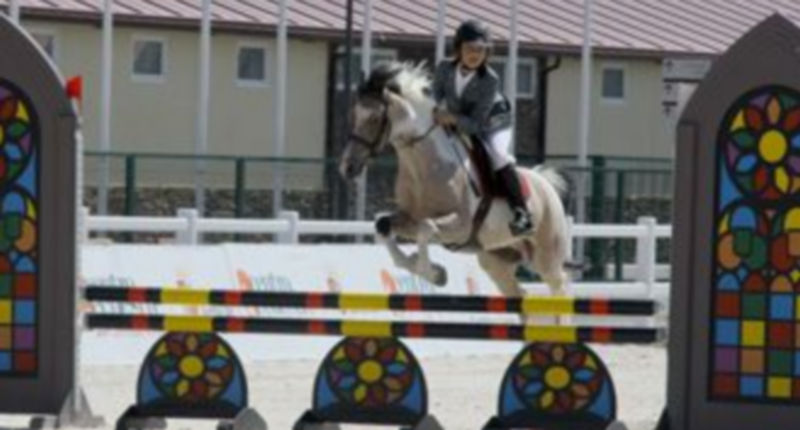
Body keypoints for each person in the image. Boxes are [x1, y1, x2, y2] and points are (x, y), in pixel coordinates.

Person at [431, 19, 533, 236]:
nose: (474, 54)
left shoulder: (490, 79)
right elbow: (436, 93)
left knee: (498, 154)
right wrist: (435, 109)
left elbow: (476, 125)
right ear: (458, 49)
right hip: (458, 117)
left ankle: (522, 214)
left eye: (480, 50)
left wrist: (451, 118)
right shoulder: (444, 68)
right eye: (469, 49)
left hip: (493, 122)